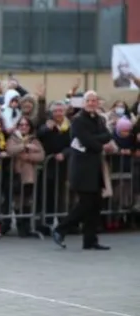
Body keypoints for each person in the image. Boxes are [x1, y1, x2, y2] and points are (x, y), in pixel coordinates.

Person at [52, 90, 113, 251]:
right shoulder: (78, 120)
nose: (92, 103)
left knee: (96, 204)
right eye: (89, 100)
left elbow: (107, 135)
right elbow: (85, 140)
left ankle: (90, 240)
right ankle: (60, 229)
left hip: (95, 167)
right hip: (82, 168)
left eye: (94, 100)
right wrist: (98, 142)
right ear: (84, 103)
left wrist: (96, 140)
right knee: (85, 204)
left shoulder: (99, 119)